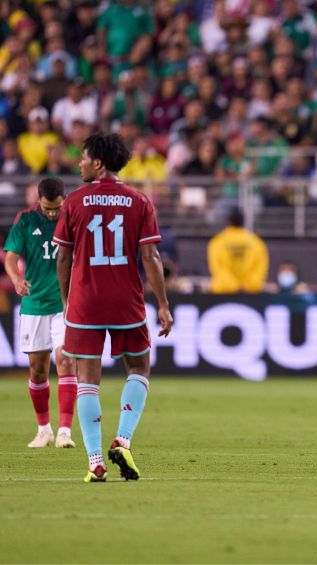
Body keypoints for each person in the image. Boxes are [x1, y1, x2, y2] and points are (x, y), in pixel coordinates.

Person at [54, 133, 173, 482]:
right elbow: (150, 256)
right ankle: (122, 440)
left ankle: (94, 461)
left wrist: (66, 301)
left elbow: (64, 256)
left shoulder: (74, 202)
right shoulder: (139, 201)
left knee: (86, 378)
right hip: (126, 301)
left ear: (99, 163)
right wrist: (163, 305)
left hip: (85, 302)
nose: (79, 163)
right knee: (139, 367)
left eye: (84, 157)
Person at [3, 177, 77, 449]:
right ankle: (44, 429)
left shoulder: (73, 218)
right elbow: (10, 256)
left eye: (56, 208)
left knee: (66, 361)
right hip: (34, 304)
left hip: (65, 304)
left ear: (64, 200)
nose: (51, 213)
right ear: (39, 201)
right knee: (37, 370)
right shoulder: (25, 220)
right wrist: (15, 279)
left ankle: (65, 431)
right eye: (47, 208)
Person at [207, 208, 269, 294]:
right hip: (251, 294)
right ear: (243, 222)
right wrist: (248, 286)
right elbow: (260, 269)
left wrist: (233, 286)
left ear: (228, 221)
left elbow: (218, 268)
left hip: (223, 293)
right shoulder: (256, 242)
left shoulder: (217, 242)